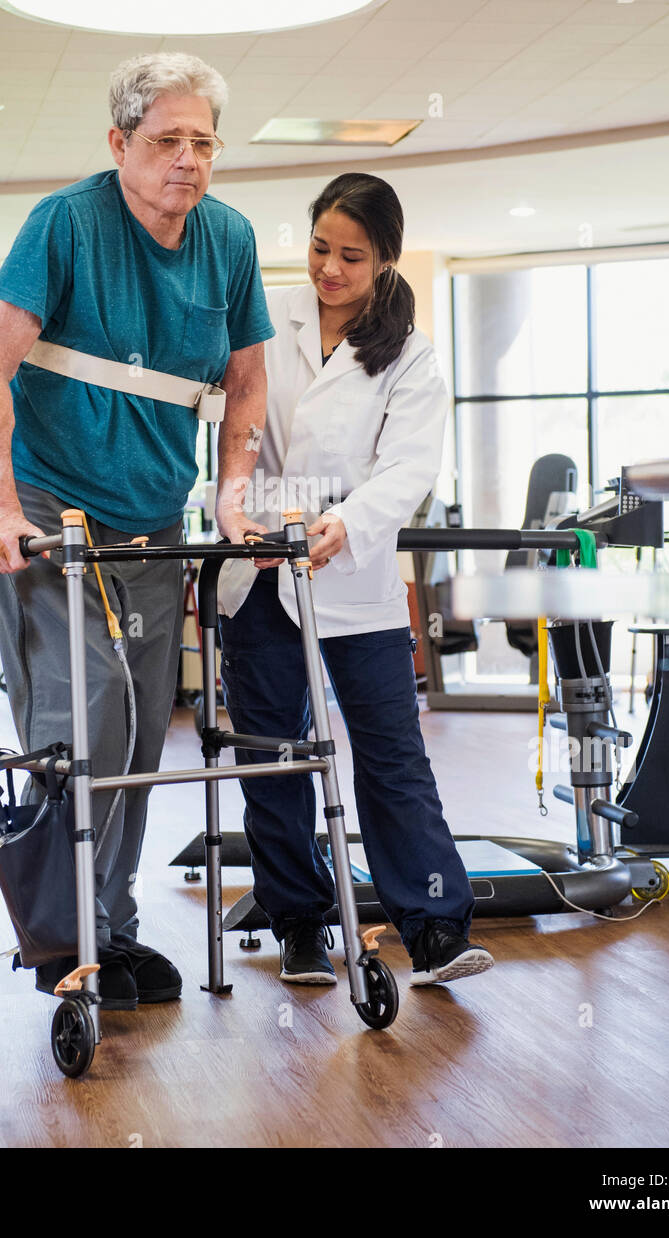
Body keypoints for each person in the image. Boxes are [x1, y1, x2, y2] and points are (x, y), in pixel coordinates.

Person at [0, 52, 273, 1009]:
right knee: (81, 721)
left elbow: (248, 382)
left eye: (204, 142)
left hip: (151, 530)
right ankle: (65, 943)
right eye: (167, 140)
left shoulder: (228, 239)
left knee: (140, 738)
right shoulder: (64, 225)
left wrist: (229, 494)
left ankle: (115, 927)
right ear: (120, 144)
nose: (187, 159)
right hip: (54, 530)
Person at [217, 173, 493, 989]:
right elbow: (235, 424)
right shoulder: (266, 317)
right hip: (262, 566)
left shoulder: (411, 352)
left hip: (355, 573)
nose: (328, 270)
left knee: (390, 754)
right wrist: (239, 509)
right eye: (319, 249)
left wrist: (350, 524)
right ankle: (300, 924)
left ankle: (436, 928)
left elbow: (408, 466)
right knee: (273, 757)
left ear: (386, 261)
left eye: (350, 257)